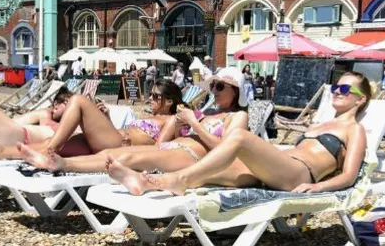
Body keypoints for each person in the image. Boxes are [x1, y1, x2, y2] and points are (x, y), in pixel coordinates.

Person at [107, 71, 371, 196]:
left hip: (299, 174)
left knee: (240, 137)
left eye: (346, 90)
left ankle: (173, 181)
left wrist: (318, 186)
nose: (338, 91)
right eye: (337, 86)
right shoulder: (318, 125)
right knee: (201, 167)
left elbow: (349, 175)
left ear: (360, 100)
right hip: (276, 167)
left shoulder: (354, 129)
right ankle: (149, 183)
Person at [23, 67, 249, 174]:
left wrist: (194, 123)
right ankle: (7, 151)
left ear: (237, 91)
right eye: (212, 85)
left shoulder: (238, 116)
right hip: (166, 148)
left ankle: (60, 163)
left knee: (124, 155)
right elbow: (162, 142)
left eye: (220, 86)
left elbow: (226, 149)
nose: (214, 91)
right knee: (106, 154)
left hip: (186, 157)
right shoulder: (207, 114)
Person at [0, 79, 186, 161]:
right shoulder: (150, 116)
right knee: (55, 144)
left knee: (78, 100)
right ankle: (1, 152)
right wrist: (105, 118)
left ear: (169, 101)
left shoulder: (170, 121)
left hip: (118, 146)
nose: (150, 98)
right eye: (151, 94)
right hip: (112, 138)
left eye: (156, 96)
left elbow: (160, 150)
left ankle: (49, 150)